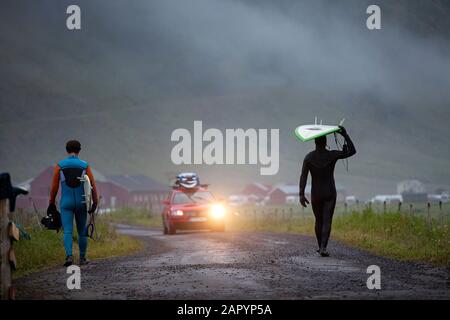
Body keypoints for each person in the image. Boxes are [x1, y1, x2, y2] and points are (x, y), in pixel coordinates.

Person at [299, 126, 356, 257]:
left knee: (318, 220)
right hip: (330, 192)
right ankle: (324, 247)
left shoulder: (308, 158)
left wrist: (301, 194)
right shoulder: (332, 155)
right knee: (327, 220)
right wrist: (344, 134)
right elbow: (352, 151)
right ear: (325, 142)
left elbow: (303, 176)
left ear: (315, 142)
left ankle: (320, 247)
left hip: (316, 194)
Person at [47, 140, 98, 266]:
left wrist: (51, 203)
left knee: (68, 231)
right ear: (79, 150)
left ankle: (69, 257)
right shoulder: (85, 165)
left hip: (66, 203)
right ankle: (82, 258)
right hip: (82, 203)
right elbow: (92, 185)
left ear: (66, 150)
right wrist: (95, 202)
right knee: (82, 231)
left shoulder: (60, 165)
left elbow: (54, 187)